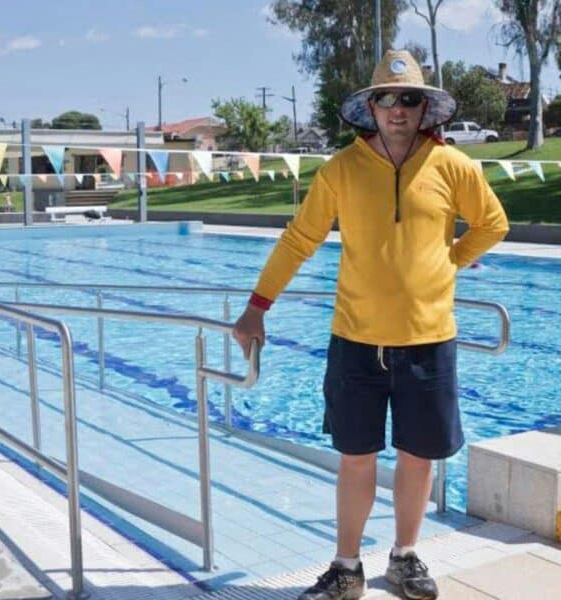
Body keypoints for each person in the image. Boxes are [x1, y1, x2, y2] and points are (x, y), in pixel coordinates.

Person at [232, 49, 509, 600]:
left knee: (418, 455)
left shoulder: (453, 166)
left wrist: (448, 259)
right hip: (356, 340)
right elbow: (299, 239)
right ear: (371, 107)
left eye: (409, 99)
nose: (398, 109)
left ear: (425, 107)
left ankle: (405, 556)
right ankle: (346, 567)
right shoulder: (341, 170)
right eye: (387, 98)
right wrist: (257, 306)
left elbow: (492, 223)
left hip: (429, 340)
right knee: (356, 456)